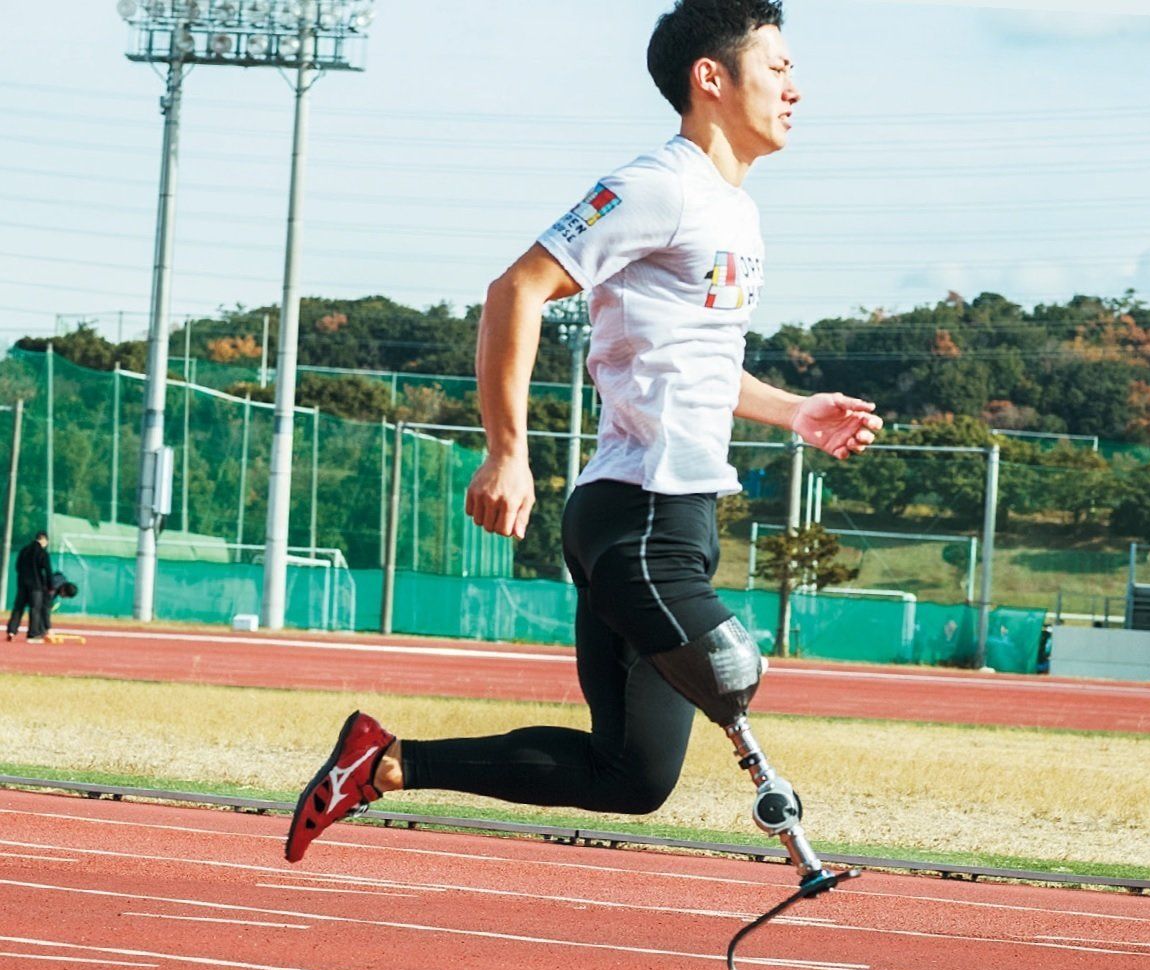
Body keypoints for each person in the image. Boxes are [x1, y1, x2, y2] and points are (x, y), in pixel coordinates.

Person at [285, 0, 882, 881]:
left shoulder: (736, 212)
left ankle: (379, 761)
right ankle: (801, 851)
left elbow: (691, 368)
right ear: (709, 78)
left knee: (631, 775)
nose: (796, 87)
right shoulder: (657, 184)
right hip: (634, 516)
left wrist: (793, 411)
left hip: (678, 519)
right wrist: (505, 449)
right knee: (728, 661)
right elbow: (514, 289)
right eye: (779, 66)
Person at [7, 531, 53, 643]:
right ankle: (32, 634)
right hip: (36, 586)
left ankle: (11, 631)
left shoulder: (24, 550)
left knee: (18, 608)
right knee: (35, 609)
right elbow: (48, 571)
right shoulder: (42, 553)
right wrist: (49, 586)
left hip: (22, 584)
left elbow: (17, 567)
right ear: (44, 540)